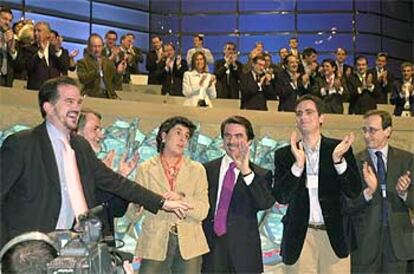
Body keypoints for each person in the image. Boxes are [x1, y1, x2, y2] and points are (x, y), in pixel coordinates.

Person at [0, 76, 191, 247]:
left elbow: (117, 182)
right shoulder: (21, 144)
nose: (76, 107)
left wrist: (162, 202)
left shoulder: (80, 147)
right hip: (28, 252)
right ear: (48, 107)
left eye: (78, 102)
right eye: (69, 101)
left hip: (74, 249)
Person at [273, 94, 362, 273]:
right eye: (299, 113)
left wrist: (338, 161)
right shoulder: (285, 154)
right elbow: (281, 196)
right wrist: (297, 166)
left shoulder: (339, 149)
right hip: (300, 235)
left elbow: (354, 191)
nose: (303, 117)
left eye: (309, 112)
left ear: (321, 117)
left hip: (334, 235)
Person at [131, 116, 209, 274]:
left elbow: (203, 211)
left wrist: (181, 199)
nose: (183, 139)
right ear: (164, 136)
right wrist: (137, 205)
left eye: (186, 136)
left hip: (190, 244)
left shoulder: (197, 169)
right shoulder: (145, 169)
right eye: (178, 133)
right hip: (154, 242)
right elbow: (133, 215)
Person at [202, 116, 275, 274]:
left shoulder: (260, 174)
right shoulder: (206, 170)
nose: (232, 141)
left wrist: (246, 171)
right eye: (227, 135)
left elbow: (264, 203)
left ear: (249, 141)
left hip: (244, 255)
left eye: (238, 136)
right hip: (209, 250)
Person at [347, 110, 414, 274]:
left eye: (372, 130)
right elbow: (346, 204)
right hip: (365, 244)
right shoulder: (353, 163)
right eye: (364, 130)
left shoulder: (407, 160)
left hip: (398, 244)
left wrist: (403, 193)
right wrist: (368, 193)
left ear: (388, 131)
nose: (367, 135)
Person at [77, 108, 137, 245]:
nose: (101, 135)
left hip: (103, 245)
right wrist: (102, 179)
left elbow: (117, 211)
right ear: (77, 132)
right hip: (76, 244)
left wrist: (120, 178)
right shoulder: (67, 165)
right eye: (95, 129)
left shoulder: (100, 166)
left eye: (101, 129)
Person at [22, 21, 69, 90]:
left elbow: (64, 67)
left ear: (48, 34)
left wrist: (57, 51)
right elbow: (29, 67)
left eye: (39, 31)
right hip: (36, 89)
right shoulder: (28, 49)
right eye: (34, 31)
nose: (36, 33)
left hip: (54, 91)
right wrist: (40, 52)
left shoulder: (57, 50)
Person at [77, 33, 124, 99]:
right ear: (89, 47)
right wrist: (97, 71)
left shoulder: (108, 62)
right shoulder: (82, 62)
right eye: (94, 46)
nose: (97, 49)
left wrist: (119, 73)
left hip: (108, 96)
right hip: (91, 96)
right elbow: (83, 79)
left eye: (99, 46)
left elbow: (116, 82)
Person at [0, 7, 19, 87]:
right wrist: (1, 42)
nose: (7, 22)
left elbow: (19, 66)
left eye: (10, 20)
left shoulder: (13, 39)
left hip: (7, 82)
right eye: (5, 19)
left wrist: (12, 51)